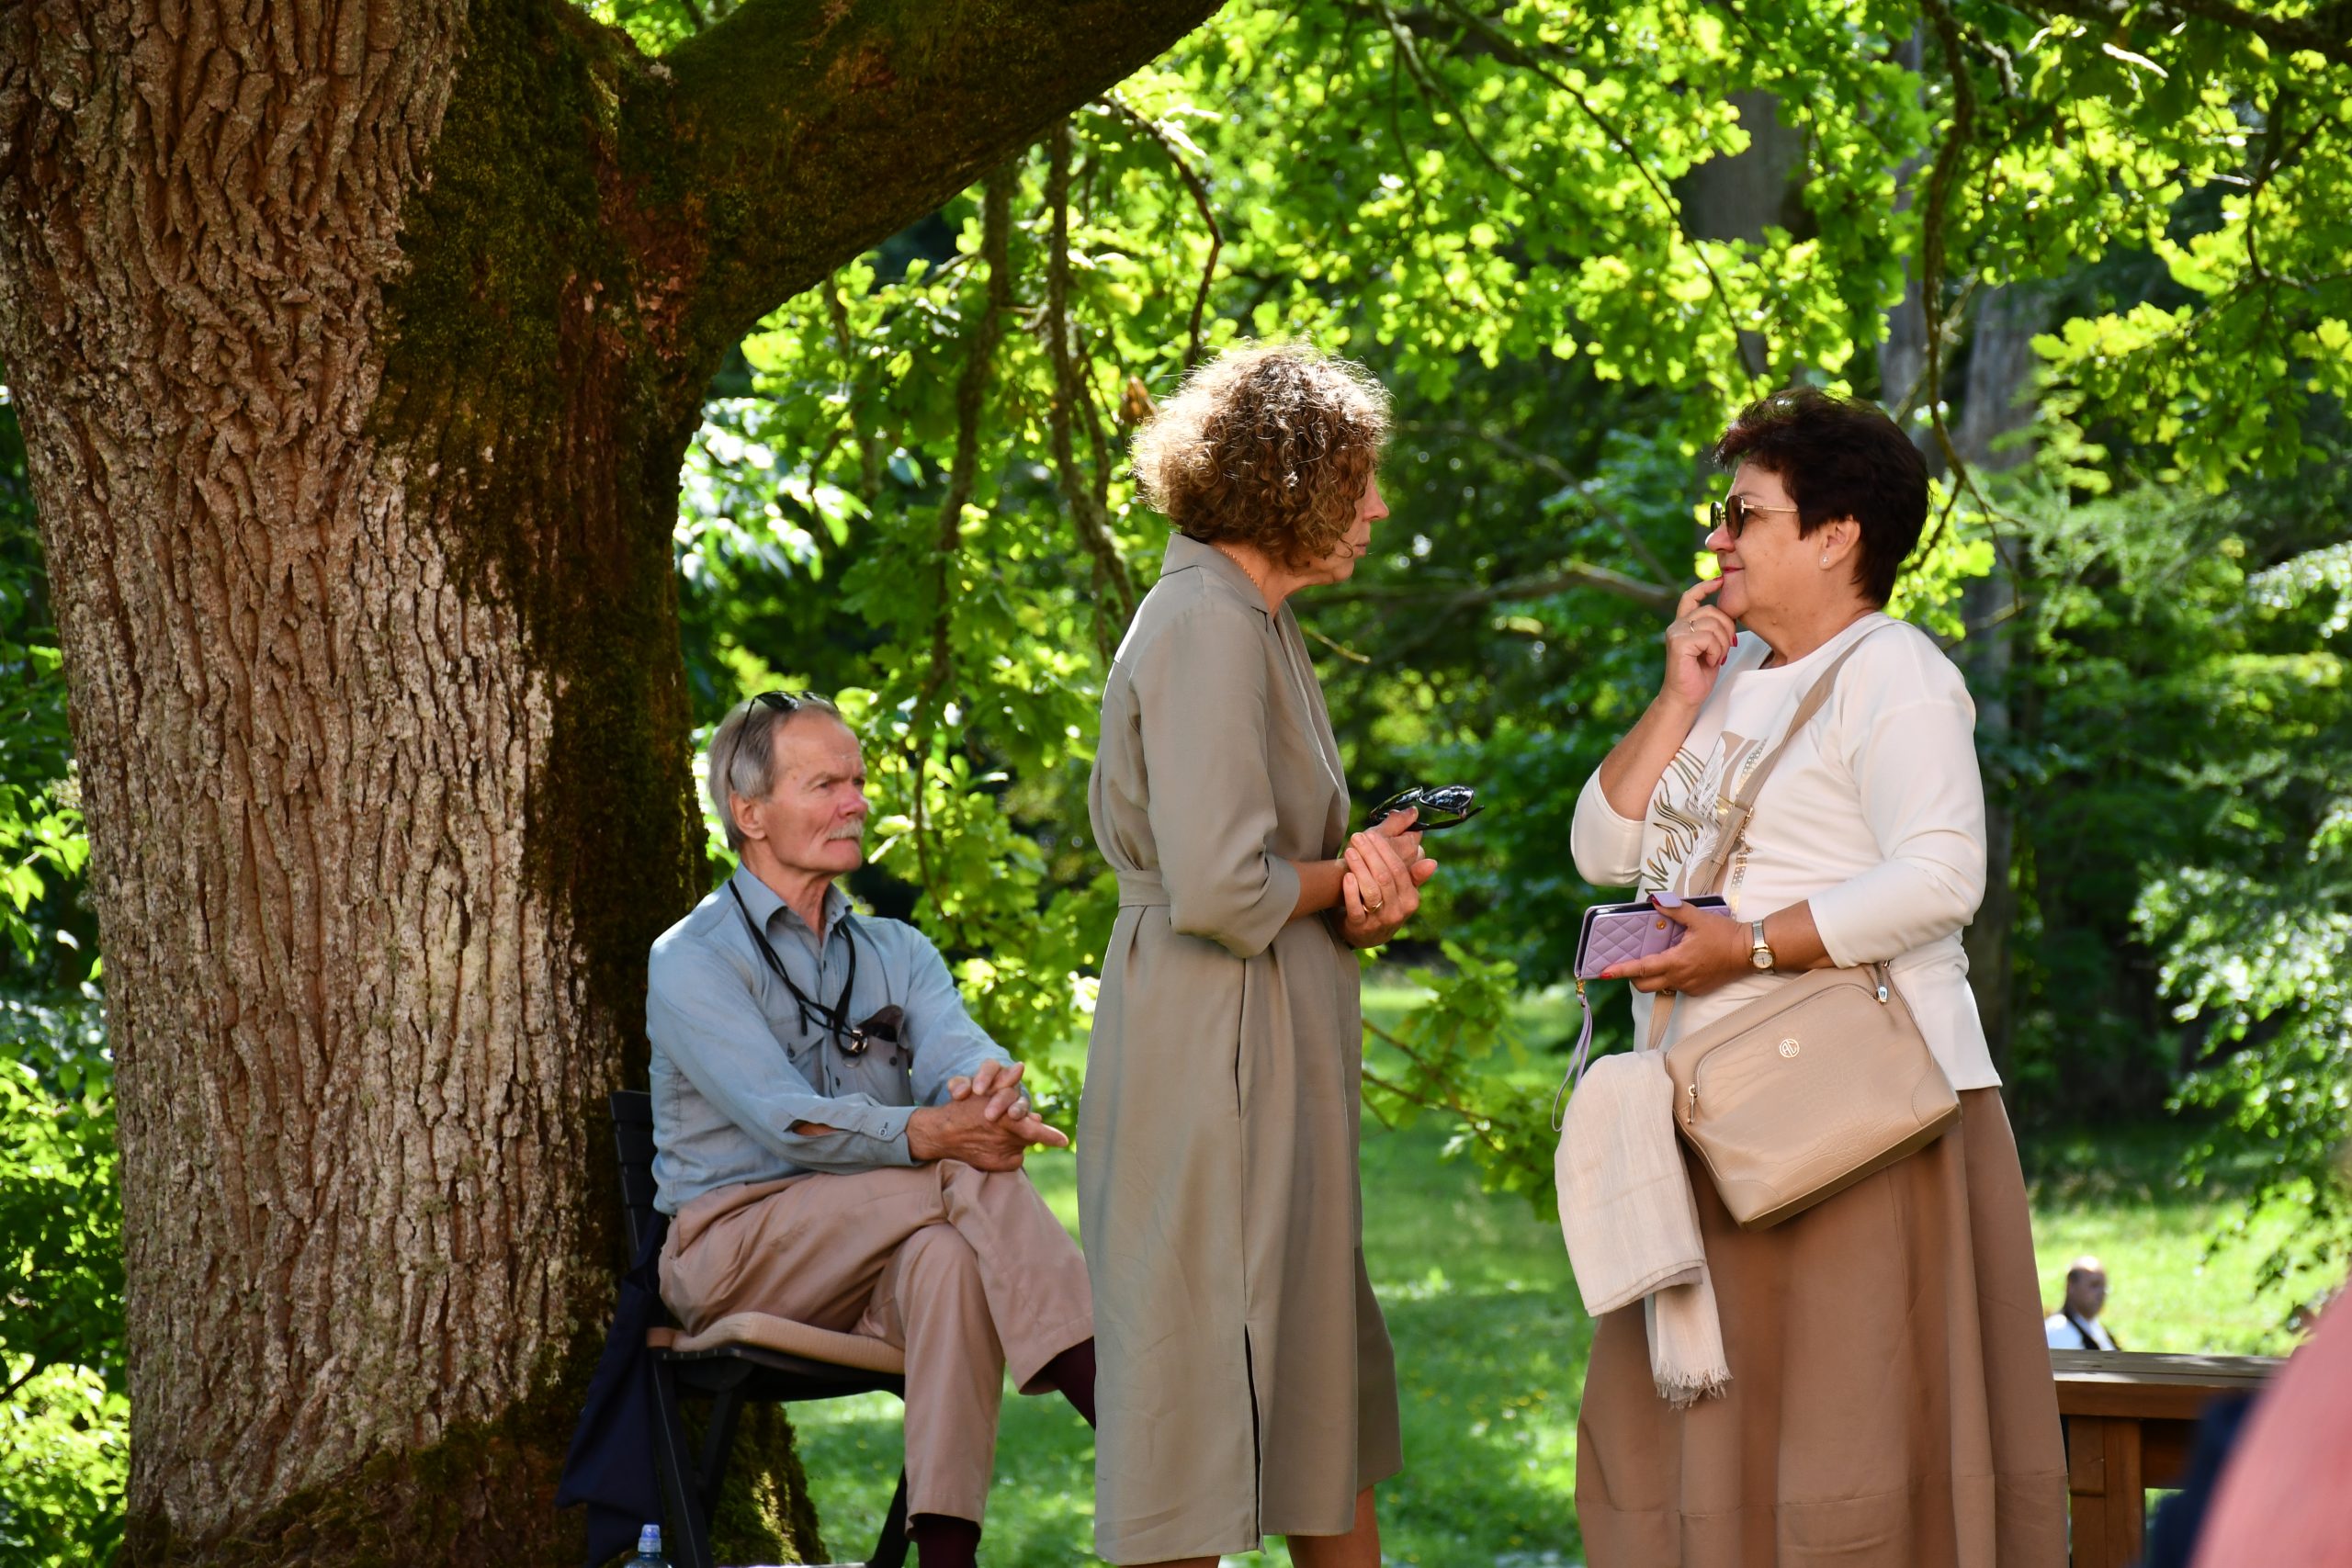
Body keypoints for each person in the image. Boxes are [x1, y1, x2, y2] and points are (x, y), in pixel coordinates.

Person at [1566, 387, 2068, 1566]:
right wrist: (1678, 696)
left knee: (1848, 1450)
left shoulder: (1898, 673)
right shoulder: (1728, 671)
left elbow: (1941, 876)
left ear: (1837, 534)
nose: (1717, 539)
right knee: (1714, 1459)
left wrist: (1745, 945)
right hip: (1701, 1117)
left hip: (1850, 1128)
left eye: (1744, 515)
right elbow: (1600, 848)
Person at [1079, 343, 1436, 1568]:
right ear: (1290, 480)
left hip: (1267, 1036)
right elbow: (1225, 887)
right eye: (1357, 478)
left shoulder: (1255, 619)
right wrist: (1349, 873)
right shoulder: (1205, 623)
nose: (1375, 508)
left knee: (1312, 1377)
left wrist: (1356, 895)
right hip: (1211, 1052)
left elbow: (1266, 873)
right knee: (1197, 1392)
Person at [647, 692, 1096, 1568]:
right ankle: (1135, 1427)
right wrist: (942, 1133)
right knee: (961, 1170)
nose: (855, 802)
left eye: (857, 781)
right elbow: (789, 1121)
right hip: (732, 1256)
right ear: (750, 813)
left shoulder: (898, 950)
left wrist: (989, 1095)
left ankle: (947, 1562)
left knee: (950, 1257)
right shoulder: (693, 957)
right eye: (825, 785)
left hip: (871, 1256)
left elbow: (959, 1050)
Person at [2046, 1255, 2123, 1350]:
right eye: (2094, 1285)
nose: (2102, 1292)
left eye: (2104, 1286)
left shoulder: (2098, 1329)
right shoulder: (2058, 1330)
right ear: (2071, 1286)